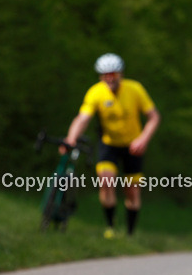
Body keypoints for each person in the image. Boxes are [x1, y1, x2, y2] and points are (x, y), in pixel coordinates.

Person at [63, 53, 160, 238]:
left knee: (132, 191)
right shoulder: (95, 92)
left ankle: (130, 233)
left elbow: (154, 117)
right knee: (106, 180)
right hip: (109, 144)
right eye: (105, 75)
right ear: (100, 76)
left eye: (113, 74)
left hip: (133, 146)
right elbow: (83, 118)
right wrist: (71, 138)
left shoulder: (135, 89)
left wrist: (143, 139)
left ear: (120, 74)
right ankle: (110, 226)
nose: (109, 78)